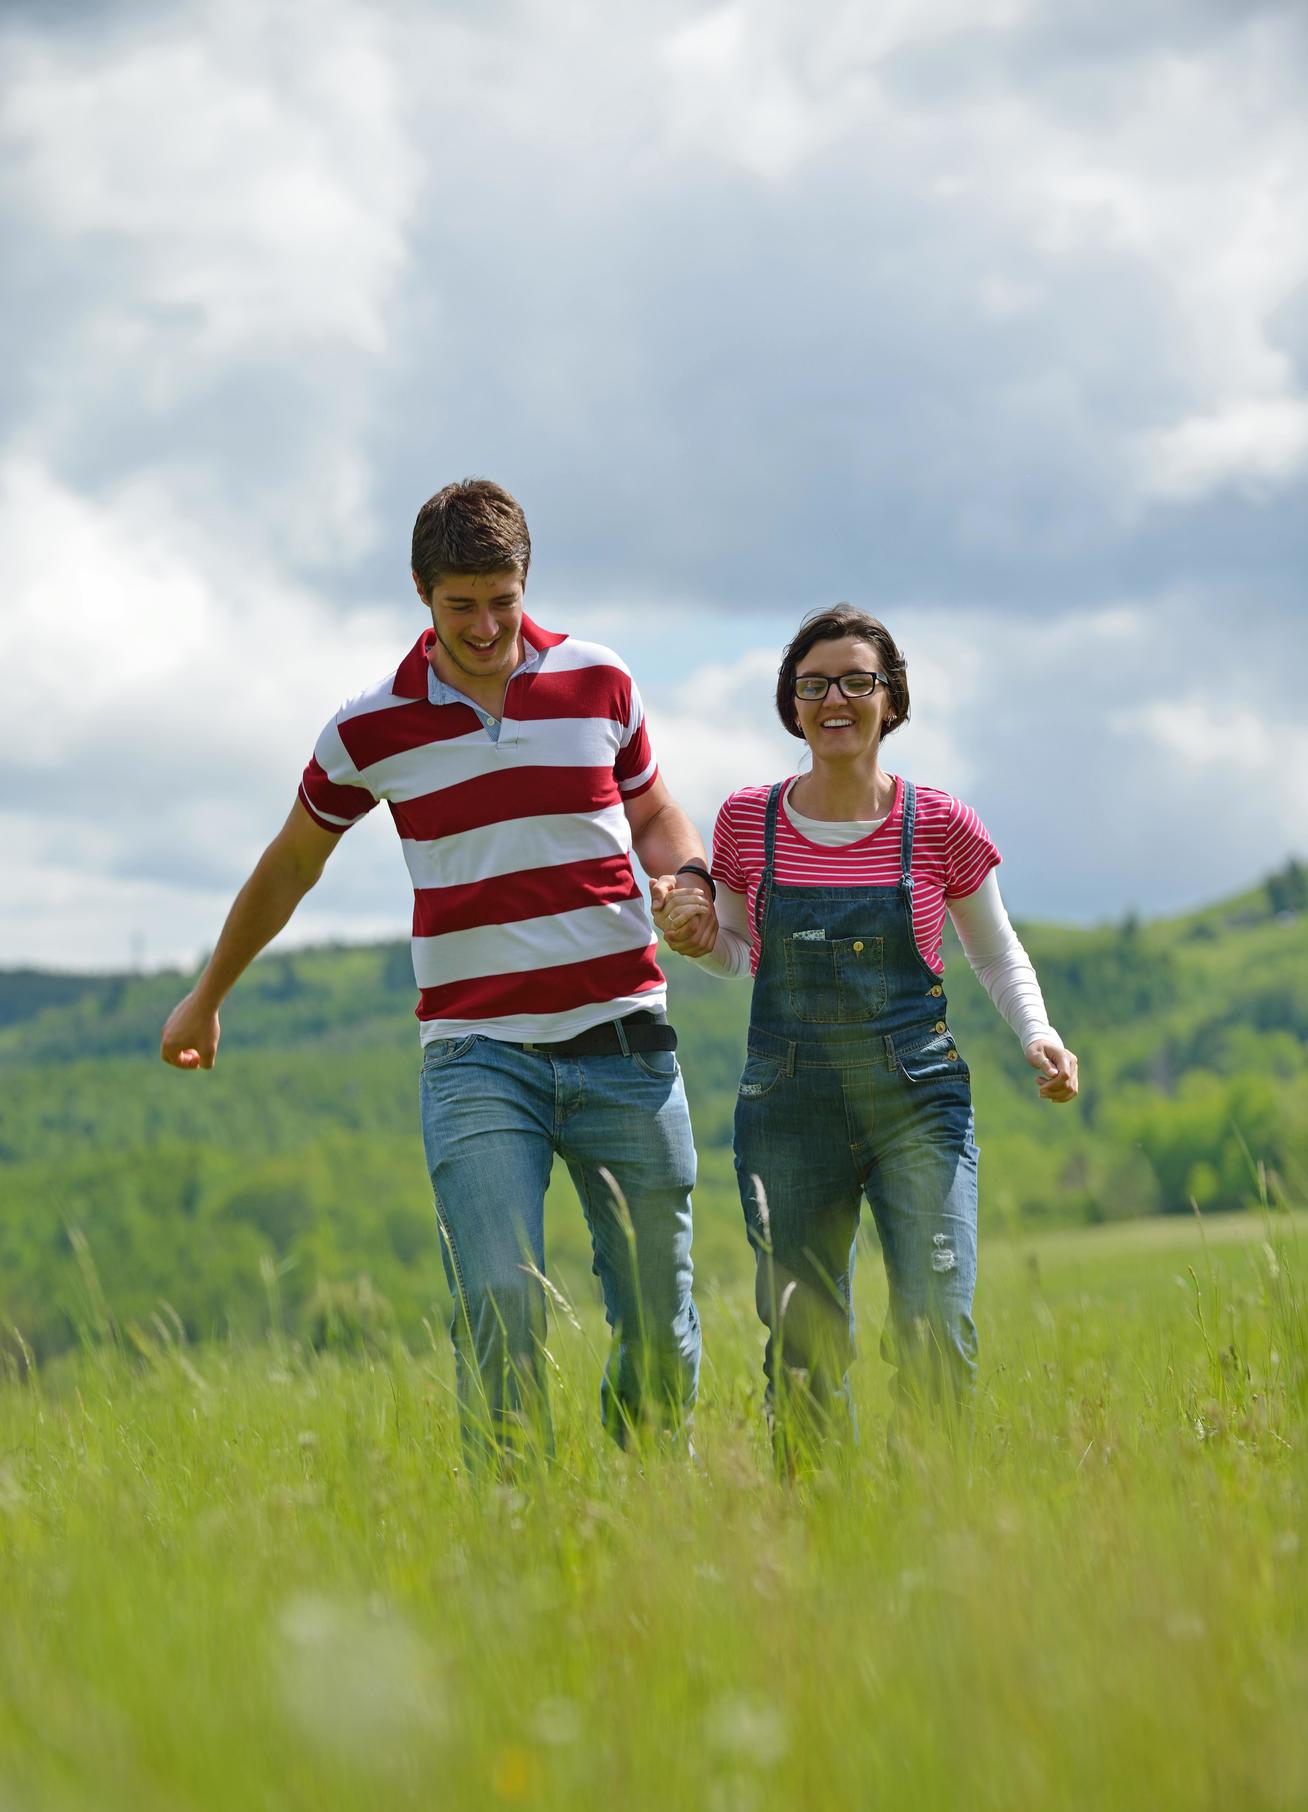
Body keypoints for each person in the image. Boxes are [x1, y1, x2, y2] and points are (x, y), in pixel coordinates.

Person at [162, 479, 717, 1468]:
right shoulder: (370, 729)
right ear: (423, 595)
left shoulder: (601, 680)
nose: (487, 625)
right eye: (461, 604)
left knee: (658, 1308)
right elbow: (292, 864)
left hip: (625, 1042)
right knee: (498, 1300)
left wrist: (685, 877)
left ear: (524, 583)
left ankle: (653, 1503)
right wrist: (209, 994)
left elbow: (655, 815)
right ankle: (512, 1528)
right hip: (478, 1060)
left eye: (503, 599)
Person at [651, 603, 1078, 1461]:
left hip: (917, 1100)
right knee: (804, 1349)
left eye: (856, 680)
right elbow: (738, 955)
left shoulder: (941, 824)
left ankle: (943, 1527)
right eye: (813, 685)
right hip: (789, 1105)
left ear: (892, 699)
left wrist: (1039, 1034)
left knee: (934, 1323)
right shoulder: (749, 821)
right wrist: (691, 942)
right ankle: (825, 1539)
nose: (833, 699)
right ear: (792, 704)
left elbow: (996, 955)